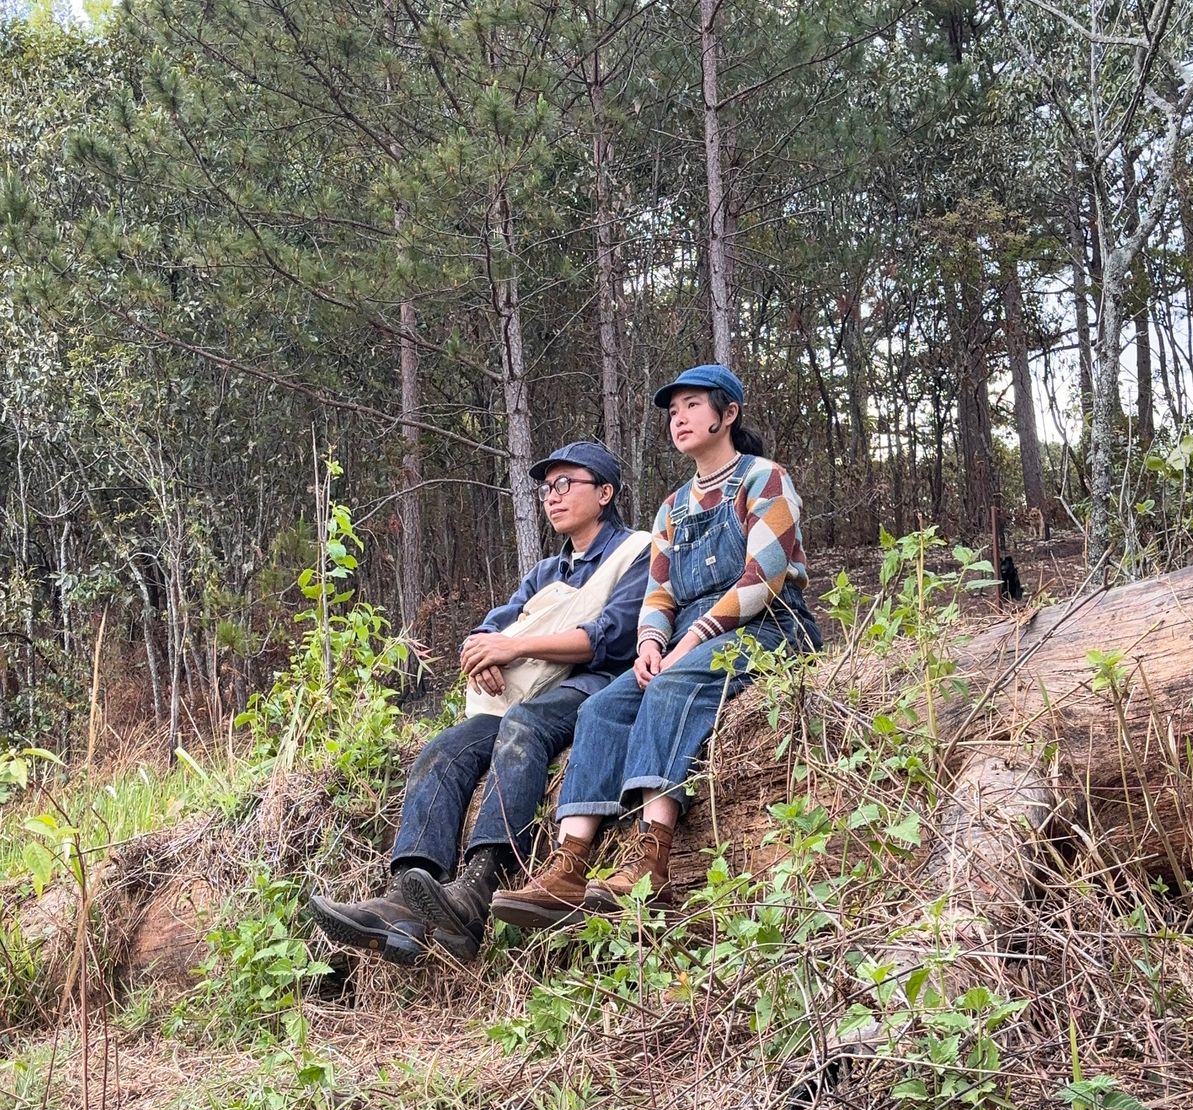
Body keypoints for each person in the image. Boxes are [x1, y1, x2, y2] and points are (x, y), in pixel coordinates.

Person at [491, 365, 821, 929]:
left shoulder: (764, 480)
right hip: (687, 634)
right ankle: (568, 865)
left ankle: (651, 862)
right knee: (601, 707)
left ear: (728, 413)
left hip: (769, 625)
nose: (680, 419)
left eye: (692, 406)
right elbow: (660, 593)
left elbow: (763, 578)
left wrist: (688, 641)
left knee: (669, 686)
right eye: (673, 411)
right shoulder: (672, 507)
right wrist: (649, 642)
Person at [308, 442, 650, 965]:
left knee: (523, 726)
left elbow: (614, 635)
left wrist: (514, 646)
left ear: (604, 493)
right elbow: (494, 622)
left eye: (565, 485)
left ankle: (478, 884)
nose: (552, 498)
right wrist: (480, 650)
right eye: (545, 489)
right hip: (526, 688)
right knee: (443, 750)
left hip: (594, 683)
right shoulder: (545, 573)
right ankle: (405, 899)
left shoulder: (637, 552)